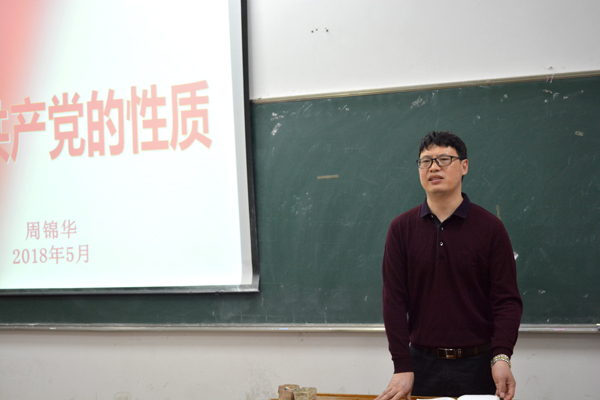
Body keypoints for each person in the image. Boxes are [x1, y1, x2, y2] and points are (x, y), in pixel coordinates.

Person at [376, 131, 523, 400]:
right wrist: (402, 365)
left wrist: (502, 356)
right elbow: (394, 301)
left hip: (480, 367)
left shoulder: (491, 228)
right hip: (420, 367)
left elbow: (506, 301)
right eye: (426, 161)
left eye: (444, 159)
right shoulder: (401, 229)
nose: (434, 167)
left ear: (464, 166)